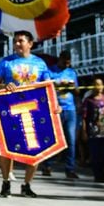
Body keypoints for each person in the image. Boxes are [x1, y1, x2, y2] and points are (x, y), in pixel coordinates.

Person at [0, 30, 50, 198]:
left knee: (35, 148)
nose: (17, 44)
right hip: (11, 112)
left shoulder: (40, 63)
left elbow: (48, 87)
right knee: (7, 148)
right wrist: (4, 86)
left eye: (20, 41)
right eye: (15, 41)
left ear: (30, 43)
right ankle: (6, 182)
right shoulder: (6, 62)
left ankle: (27, 184)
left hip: (34, 112)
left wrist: (55, 106)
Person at [42, 50, 79, 178]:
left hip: (70, 109)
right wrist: (57, 84)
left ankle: (70, 168)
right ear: (60, 59)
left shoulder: (72, 72)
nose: (67, 65)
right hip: (54, 108)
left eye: (69, 63)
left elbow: (77, 91)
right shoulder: (50, 71)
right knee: (52, 138)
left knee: (71, 140)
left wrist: (72, 87)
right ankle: (47, 165)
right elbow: (45, 86)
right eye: (65, 62)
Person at [82, 77, 104, 182]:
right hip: (94, 132)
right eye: (96, 84)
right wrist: (84, 131)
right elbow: (84, 117)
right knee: (95, 155)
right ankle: (98, 175)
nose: (99, 87)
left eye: (100, 84)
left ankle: (102, 170)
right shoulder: (89, 100)